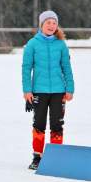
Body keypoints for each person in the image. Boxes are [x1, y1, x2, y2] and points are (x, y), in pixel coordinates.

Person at [22, 10, 74, 170]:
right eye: (48, 23)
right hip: (39, 91)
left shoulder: (61, 44)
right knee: (39, 123)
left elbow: (67, 67)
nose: (51, 26)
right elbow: (26, 68)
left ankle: (56, 156)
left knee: (57, 124)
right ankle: (37, 156)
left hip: (59, 91)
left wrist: (70, 88)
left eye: (54, 23)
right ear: (42, 25)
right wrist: (27, 90)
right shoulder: (32, 44)